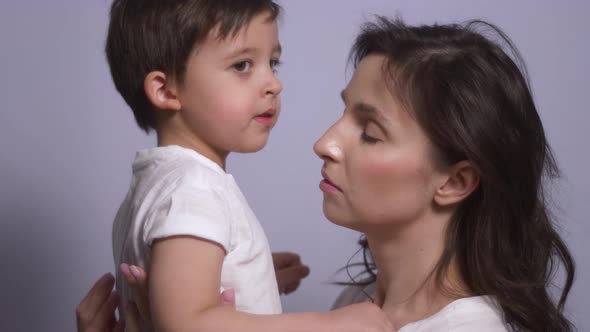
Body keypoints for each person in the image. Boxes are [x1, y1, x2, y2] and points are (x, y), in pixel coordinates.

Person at [80, 14, 576, 332]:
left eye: (370, 132)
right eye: (344, 114)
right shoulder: (355, 305)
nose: (323, 142)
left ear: (455, 181)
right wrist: (241, 277)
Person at [101, 0, 393, 331]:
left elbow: (179, 292)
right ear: (166, 89)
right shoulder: (195, 188)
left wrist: (251, 276)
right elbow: (186, 322)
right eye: (242, 65)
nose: (273, 83)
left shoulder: (152, 187)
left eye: (273, 63)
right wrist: (329, 326)